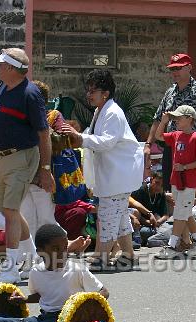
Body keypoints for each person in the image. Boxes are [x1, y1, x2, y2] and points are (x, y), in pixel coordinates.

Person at [0, 48, 53, 284]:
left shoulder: (30, 94)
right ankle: (33, 257)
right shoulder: (1, 88)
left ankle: (10, 268)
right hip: (1, 157)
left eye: (1, 64)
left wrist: (45, 169)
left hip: (22, 157)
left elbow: (44, 133)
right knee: (8, 210)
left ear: (12, 68)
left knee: (10, 211)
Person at [60, 69, 144, 271]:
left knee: (107, 215)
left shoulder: (113, 112)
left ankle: (102, 258)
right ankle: (128, 255)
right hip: (114, 174)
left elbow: (106, 142)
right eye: (88, 90)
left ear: (105, 93)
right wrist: (80, 135)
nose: (89, 94)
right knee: (121, 215)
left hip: (118, 174)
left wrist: (80, 137)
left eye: (93, 90)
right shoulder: (101, 110)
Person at [145, 54, 196, 191]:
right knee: (170, 190)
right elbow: (158, 118)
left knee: (191, 190)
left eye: (178, 68)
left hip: (192, 148)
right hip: (172, 147)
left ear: (189, 67)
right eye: (172, 69)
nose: (175, 72)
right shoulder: (170, 92)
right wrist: (148, 144)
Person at [152, 105, 196, 259]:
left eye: (179, 117)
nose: (176, 120)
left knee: (180, 213)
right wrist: (163, 121)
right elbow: (158, 136)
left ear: (189, 119)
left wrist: (185, 167)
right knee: (185, 212)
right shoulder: (176, 135)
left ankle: (171, 246)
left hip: (189, 183)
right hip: (176, 181)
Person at [19, 80, 61, 240]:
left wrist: (45, 171)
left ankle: (57, 254)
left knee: (46, 221)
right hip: (27, 178)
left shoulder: (46, 120)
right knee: (28, 219)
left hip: (41, 179)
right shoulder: (25, 118)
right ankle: (33, 258)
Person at [129, 173, 169, 246]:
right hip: (139, 224)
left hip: (154, 224)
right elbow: (134, 212)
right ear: (151, 180)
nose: (158, 187)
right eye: (156, 183)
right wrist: (147, 222)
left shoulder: (161, 194)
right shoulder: (141, 191)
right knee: (145, 232)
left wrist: (159, 221)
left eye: (161, 185)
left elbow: (165, 215)